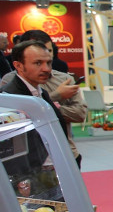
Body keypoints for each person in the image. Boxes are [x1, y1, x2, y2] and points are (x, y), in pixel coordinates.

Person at [1, 30, 86, 167]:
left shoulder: (43, 91)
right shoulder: (8, 96)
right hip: (31, 170)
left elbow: (80, 113)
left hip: (60, 159)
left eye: (49, 62)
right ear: (18, 65)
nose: (46, 69)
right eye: (38, 63)